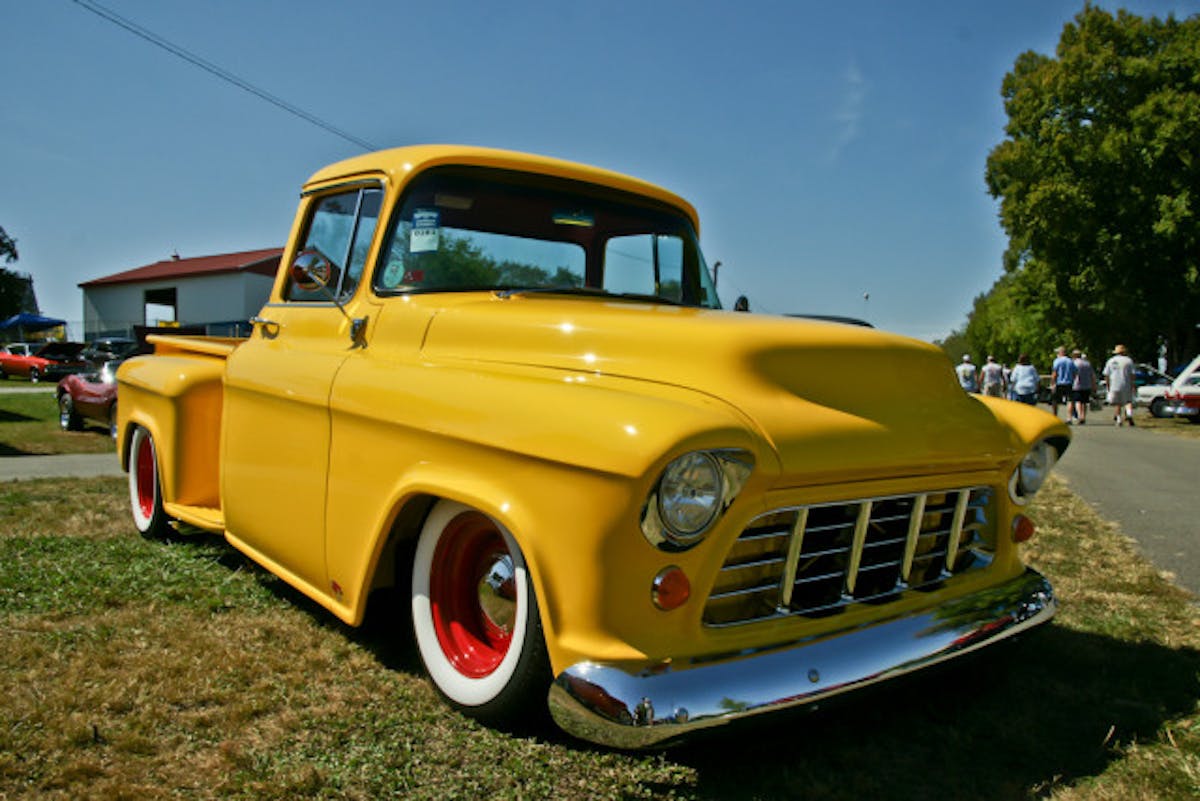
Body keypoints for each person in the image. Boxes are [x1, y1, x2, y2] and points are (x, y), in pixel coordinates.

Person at [1104, 344, 1136, 426]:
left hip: (1114, 384)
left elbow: (1106, 375)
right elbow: (1132, 375)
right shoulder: (1129, 361)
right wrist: (1133, 384)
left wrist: (1108, 385)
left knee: (1118, 403)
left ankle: (1118, 419)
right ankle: (1129, 414)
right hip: (1126, 384)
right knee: (1128, 401)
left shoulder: (1110, 361)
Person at [1051, 346, 1077, 419]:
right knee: (1070, 400)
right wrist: (1073, 380)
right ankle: (1069, 417)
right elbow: (1075, 372)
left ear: (1060, 353)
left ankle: (1055, 416)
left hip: (1059, 383)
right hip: (1068, 383)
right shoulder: (1070, 361)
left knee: (1055, 400)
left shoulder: (1057, 361)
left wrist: (1053, 383)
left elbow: (1055, 373)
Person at [1070, 350, 1095, 424]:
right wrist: (1093, 385)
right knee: (1084, 402)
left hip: (1076, 385)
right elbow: (1092, 375)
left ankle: (1079, 415)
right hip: (1087, 385)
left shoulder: (1074, 363)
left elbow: (1072, 374)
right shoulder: (1087, 363)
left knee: (1078, 401)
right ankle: (1083, 416)